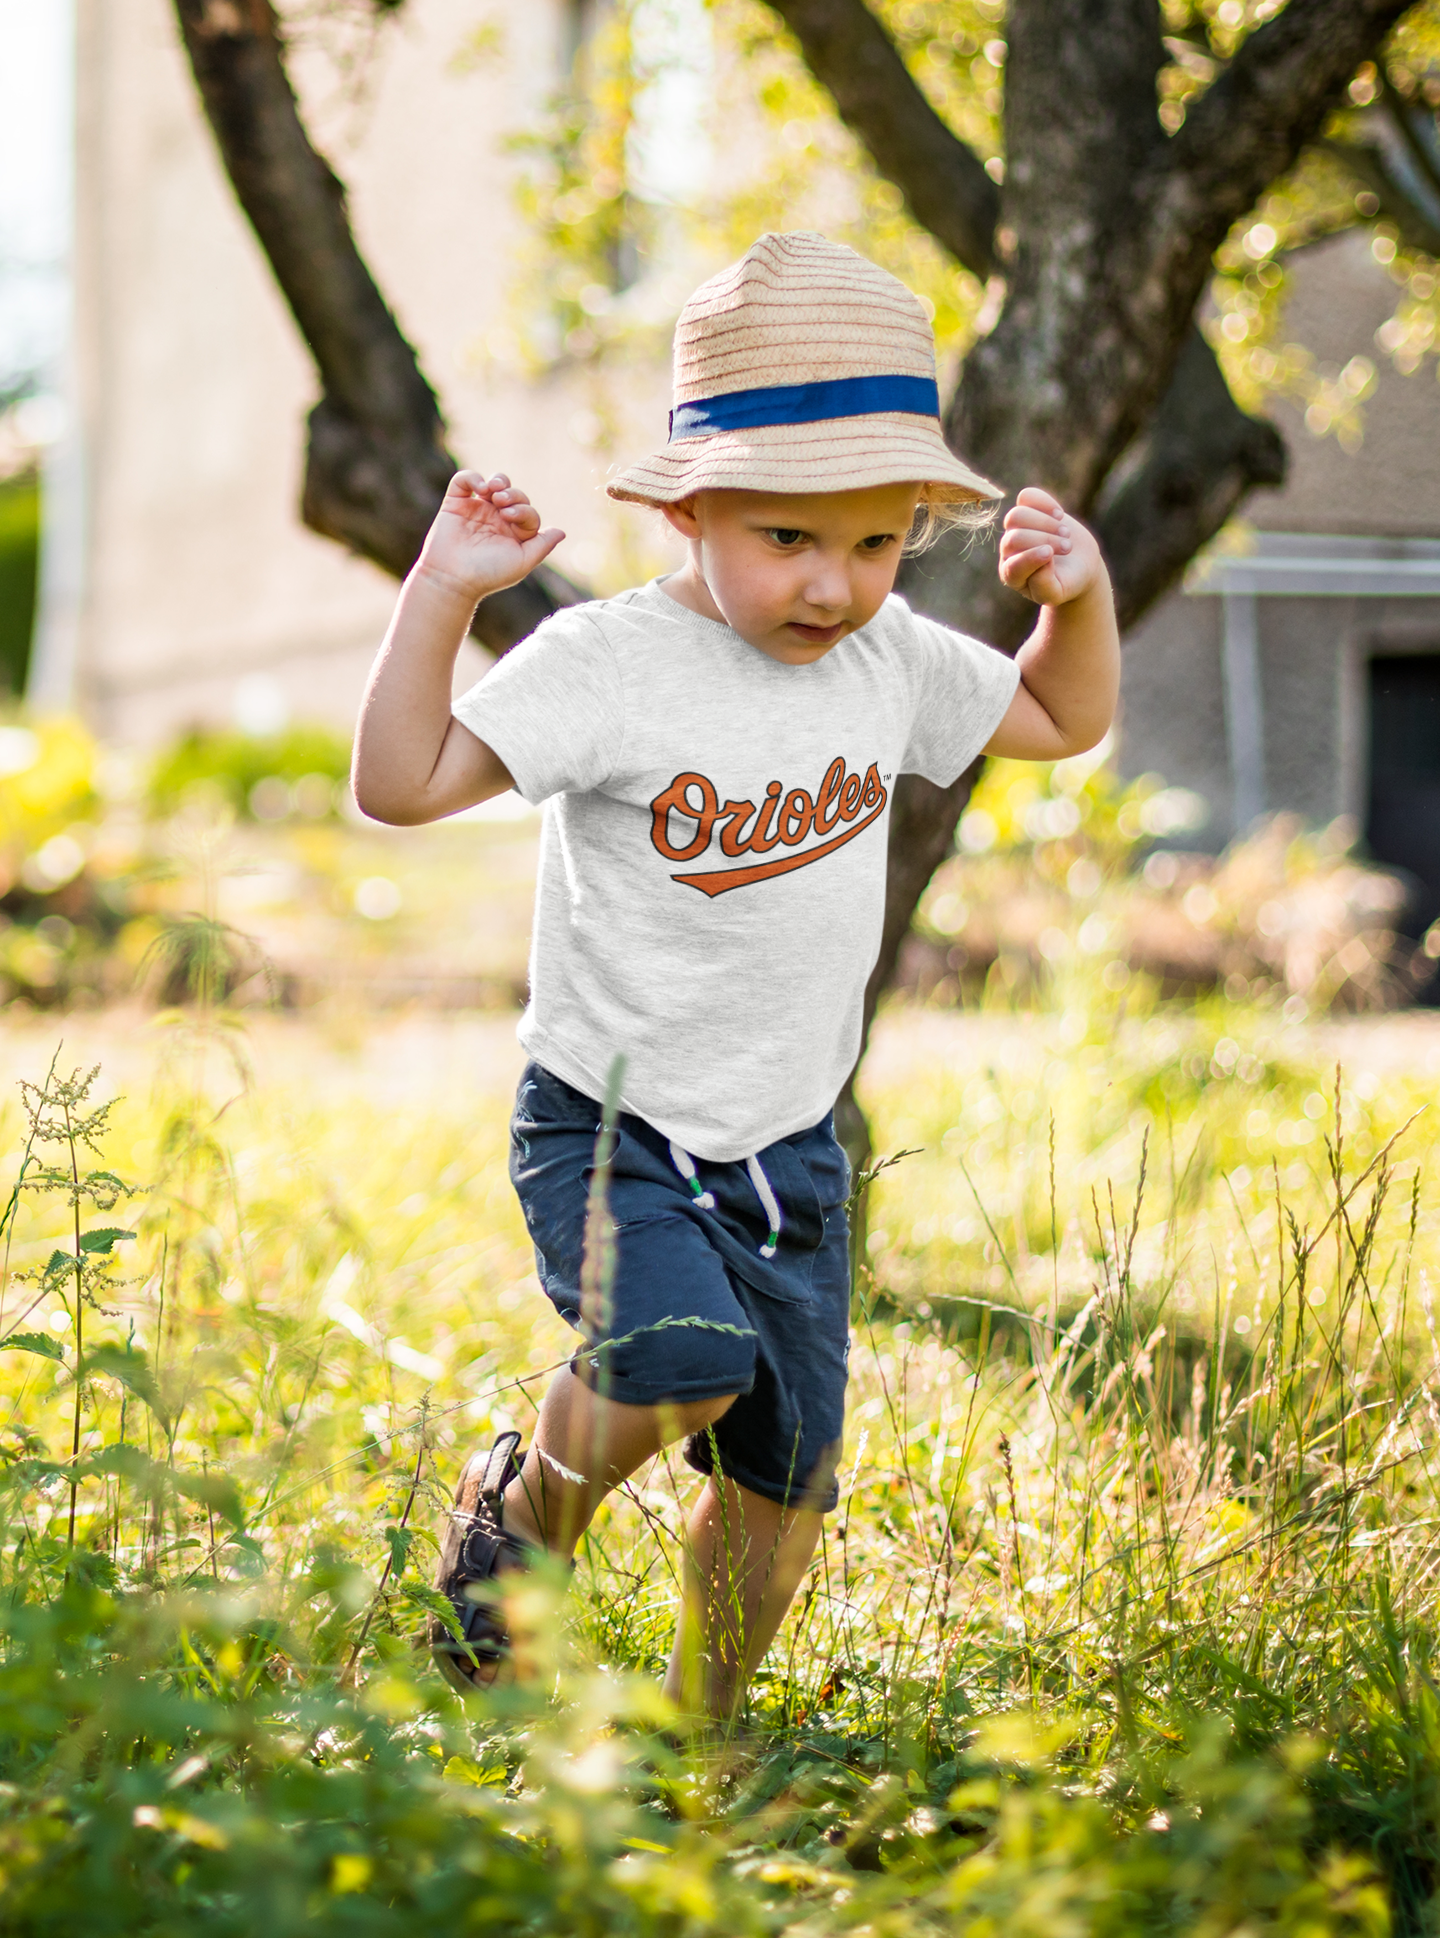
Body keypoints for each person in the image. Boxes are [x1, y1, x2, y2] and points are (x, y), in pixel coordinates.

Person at [351, 231, 1119, 1719]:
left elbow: (1053, 718)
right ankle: (515, 1524)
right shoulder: (611, 661)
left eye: (878, 540)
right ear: (691, 505)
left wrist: (1074, 602)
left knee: (785, 1488)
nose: (837, 584)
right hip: (615, 1121)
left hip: (792, 1152)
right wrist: (443, 591)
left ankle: (704, 1749)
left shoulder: (887, 654)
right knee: (675, 1358)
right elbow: (403, 778)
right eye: (788, 539)